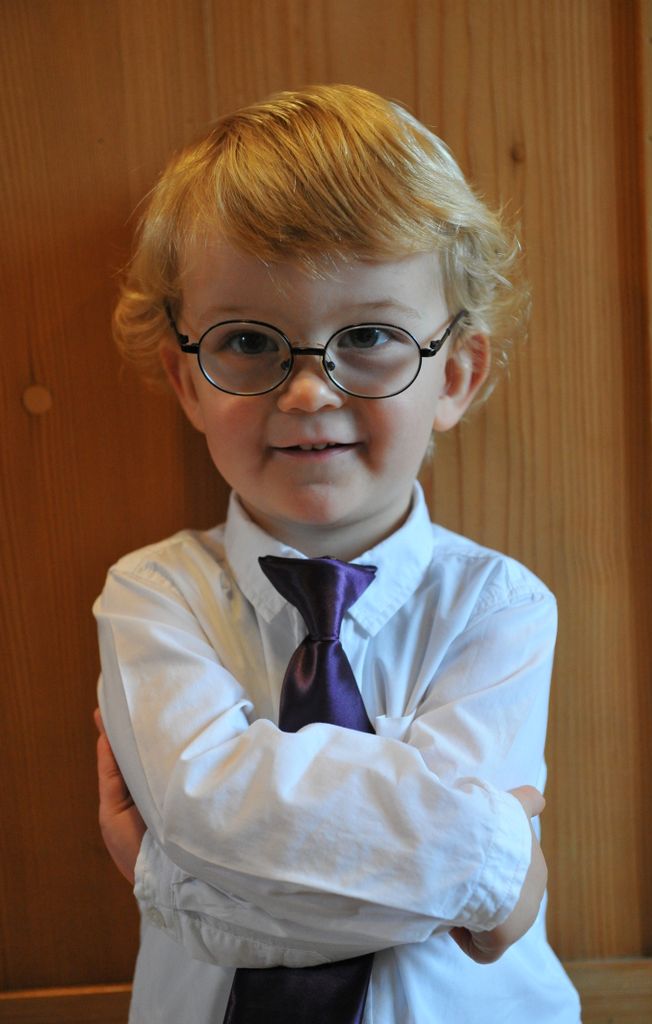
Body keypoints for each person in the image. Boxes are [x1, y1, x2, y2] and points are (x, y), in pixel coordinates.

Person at [93, 84, 581, 1023]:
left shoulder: (500, 608)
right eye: (247, 340)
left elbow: (427, 884)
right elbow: (208, 812)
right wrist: (492, 863)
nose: (310, 391)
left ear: (456, 374)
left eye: (366, 336)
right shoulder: (152, 597)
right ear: (186, 382)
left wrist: (171, 880)